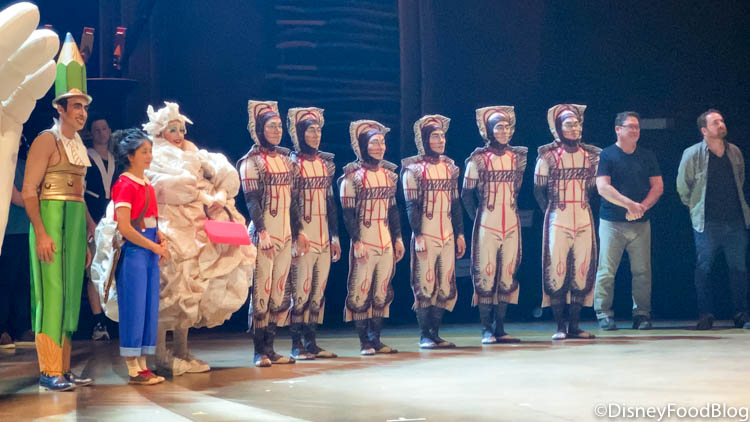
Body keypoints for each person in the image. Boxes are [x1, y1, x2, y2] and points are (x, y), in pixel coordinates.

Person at [22, 34, 95, 391]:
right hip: (50, 220)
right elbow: (29, 190)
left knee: (69, 295)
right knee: (51, 293)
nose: (82, 113)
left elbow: (79, 195)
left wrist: (88, 230)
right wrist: (41, 232)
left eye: (84, 106)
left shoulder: (78, 145)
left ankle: (63, 367)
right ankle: (49, 368)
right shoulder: (46, 140)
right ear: (60, 108)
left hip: (75, 223)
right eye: (75, 106)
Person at [239, 100, 308, 367]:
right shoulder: (251, 162)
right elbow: (252, 201)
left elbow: (293, 201)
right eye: (271, 126)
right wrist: (263, 231)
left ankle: (271, 347)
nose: (277, 131)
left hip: (285, 236)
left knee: (279, 294)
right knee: (262, 293)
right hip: (264, 235)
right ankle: (259, 351)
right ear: (259, 129)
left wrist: (299, 231)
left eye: (279, 126)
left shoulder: (287, 162)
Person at [677, 109, 750, 330]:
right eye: (715, 122)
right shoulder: (692, 153)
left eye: (722, 121)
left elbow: (740, 179)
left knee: (739, 269)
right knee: (704, 268)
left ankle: (741, 313)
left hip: (735, 221)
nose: (721, 124)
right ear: (704, 130)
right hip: (707, 222)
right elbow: (683, 187)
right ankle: (706, 314)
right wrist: (695, 207)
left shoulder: (734, 151)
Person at [534, 104, 600, 340]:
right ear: (558, 128)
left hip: (583, 216)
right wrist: (550, 212)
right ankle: (560, 326)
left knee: (582, 271)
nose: (574, 128)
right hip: (558, 218)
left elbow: (593, 188)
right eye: (569, 124)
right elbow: (538, 190)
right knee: (557, 271)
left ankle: (575, 326)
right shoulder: (547, 157)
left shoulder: (591, 156)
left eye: (577, 124)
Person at [339, 120, 405, 355]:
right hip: (365, 239)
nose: (379, 147)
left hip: (385, 239)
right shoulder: (351, 177)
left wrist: (398, 238)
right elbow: (347, 214)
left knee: (381, 291)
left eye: (382, 142)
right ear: (363, 146)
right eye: (374, 143)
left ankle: (375, 339)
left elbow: (393, 210)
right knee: (361, 291)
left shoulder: (389, 176)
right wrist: (356, 241)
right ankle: (364, 342)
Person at [462, 106, 527, 344]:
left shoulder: (517, 158)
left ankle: (500, 328)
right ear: (489, 130)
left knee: (507, 275)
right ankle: (485, 329)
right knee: (486, 276)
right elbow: (466, 194)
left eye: (507, 127)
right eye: (499, 127)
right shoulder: (478, 160)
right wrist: (477, 218)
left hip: (511, 223)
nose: (504, 131)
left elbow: (517, 189)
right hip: (487, 224)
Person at [593, 112, 663, 331]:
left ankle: (641, 314)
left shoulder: (647, 155)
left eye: (637, 127)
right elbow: (603, 187)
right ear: (618, 129)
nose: (635, 130)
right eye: (630, 126)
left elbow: (658, 187)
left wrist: (641, 207)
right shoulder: (607, 155)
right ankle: (603, 313)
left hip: (641, 222)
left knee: (642, 271)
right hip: (612, 222)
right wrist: (629, 205)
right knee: (606, 270)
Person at [110, 128, 168, 385]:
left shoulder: (147, 185)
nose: (149, 156)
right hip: (134, 252)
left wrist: (160, 237)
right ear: (130, 156)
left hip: (149, 251)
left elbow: (151, 219)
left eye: (150, 151)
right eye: (144, 151)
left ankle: (143, 363)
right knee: (134, 307)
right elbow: (125, 227)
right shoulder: (124, 185)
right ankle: (133, 367)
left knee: (148, 307)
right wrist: (153, 246)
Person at [402, 114, 465, 349]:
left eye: (442, 136)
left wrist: (460, 234)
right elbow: (411, 206)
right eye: (435, 136)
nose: (440, 140)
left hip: (447, 233)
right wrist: (418, 235)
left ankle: (435, 333)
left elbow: (456, 204)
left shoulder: (450, 168)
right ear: (425, 140)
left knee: (445, 286)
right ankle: (424, 335)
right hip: (426, 234)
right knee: (425, 285)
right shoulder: (413, 170)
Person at [286, 107, 340, 360]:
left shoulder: (325, 165)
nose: (316, 135)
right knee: (300, 292)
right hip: (304, 237)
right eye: (310, 130)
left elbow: (330, 203)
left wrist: (335, 236)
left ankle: (312, 342)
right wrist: (297, 232)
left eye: (319, 130)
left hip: (323, 237)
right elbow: (290, 202)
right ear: (300, 133)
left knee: (317, 293)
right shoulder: (291, 164)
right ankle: (296, 344)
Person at [85, 115, 117, 340]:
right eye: (96, 129)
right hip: (94, 219)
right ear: (90, 133)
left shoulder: (117, 159)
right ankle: (98, 322)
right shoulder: (86, 157)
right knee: (94, 270)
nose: (101, 133)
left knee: (114, 270)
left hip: (115, 219)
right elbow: (80, 194)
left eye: (104, 128)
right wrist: (89, 222)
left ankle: (115, 318)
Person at [0, 136, 33, 350]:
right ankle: (2, 329)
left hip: (27, 230)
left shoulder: (25, 165)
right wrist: (38, 199)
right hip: (8, 230)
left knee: (24, 282)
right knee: (6, 282)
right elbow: (16, 198)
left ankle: (22, 328)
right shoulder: (3, 165)